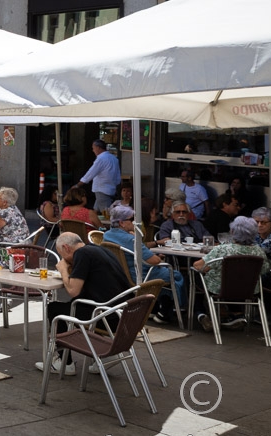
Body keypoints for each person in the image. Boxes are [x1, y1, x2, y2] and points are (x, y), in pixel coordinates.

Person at [37, 232, 132, 375]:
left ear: (66, 247)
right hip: (125, 314)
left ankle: (64, 363)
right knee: (73, 304)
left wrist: (63, 269)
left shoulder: (82, 254)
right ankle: (104, 355)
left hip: (107, 317)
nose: (64, 259)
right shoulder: (100, 249)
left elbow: (73, 290)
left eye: (62, 255)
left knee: (55, 309)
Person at [102, 206, 184, 324]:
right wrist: (158, 258)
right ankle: (167, 311)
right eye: (132, 219)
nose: (135, 222)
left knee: (164, 274)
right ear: (122, 223)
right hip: (139, 274)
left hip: (120, 273)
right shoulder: (131, 240)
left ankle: (153, 308)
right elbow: (154, 261)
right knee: (175, 275)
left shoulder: (107, 235)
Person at [194, 216, 271, 331]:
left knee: (195, 274)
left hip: (220, 288)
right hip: (248, 290)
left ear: (232, 231)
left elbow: (200, 266)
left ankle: (201, 314)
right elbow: (265, 270)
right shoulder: (259, 251)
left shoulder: (223, 249)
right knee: (237, 278)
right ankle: (236, 313)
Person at [76, 139, 121, 211]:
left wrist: (78, 185)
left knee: (107, 214)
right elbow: (118, 176)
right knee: (95, 211)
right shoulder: (114, 158)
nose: (93, 150)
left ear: (98, 147)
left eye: (93, 148)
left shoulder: (101, 159)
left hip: (102, 189)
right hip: (111, 188)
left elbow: (90, 173)